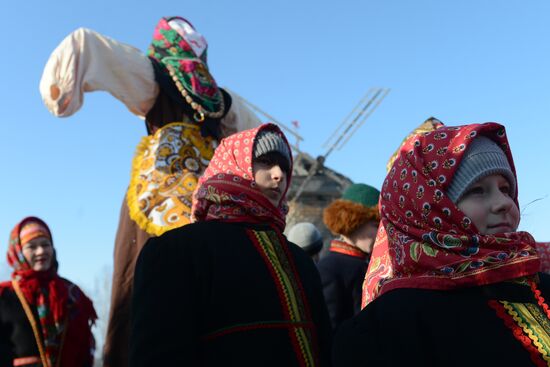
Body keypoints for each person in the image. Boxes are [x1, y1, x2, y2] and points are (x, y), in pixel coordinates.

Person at [39, 16, 261, 365]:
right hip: (168, 196)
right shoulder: (160, 76)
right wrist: (63, 86)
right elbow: (92, 47)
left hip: (202, 196)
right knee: (150, 281)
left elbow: (255, 135)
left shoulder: (214, 96)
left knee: (192, 282)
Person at [333, 122, 549, 367]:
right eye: (478, 190)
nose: (504, 203)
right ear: (430, 209)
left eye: (506, 189)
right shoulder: (390, 326)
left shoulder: (537, 284)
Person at [129, 123, 332, 366]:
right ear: (234, 165)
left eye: (286, 168)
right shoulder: (178, 251)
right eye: (266, 162)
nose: (279, 174)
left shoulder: (300, 260)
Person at [0, 217, 97, 367]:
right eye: (31, 247)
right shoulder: (4, 296)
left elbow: (84, 353)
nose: (41, 251)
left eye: (46, 245)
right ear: (17, 252)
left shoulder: (73, 296)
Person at [317, 183, 380, 331]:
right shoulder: (330, 269)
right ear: (354, 221)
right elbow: (331, 330)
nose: (380, 234)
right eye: (376, 226)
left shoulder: (369, 264)